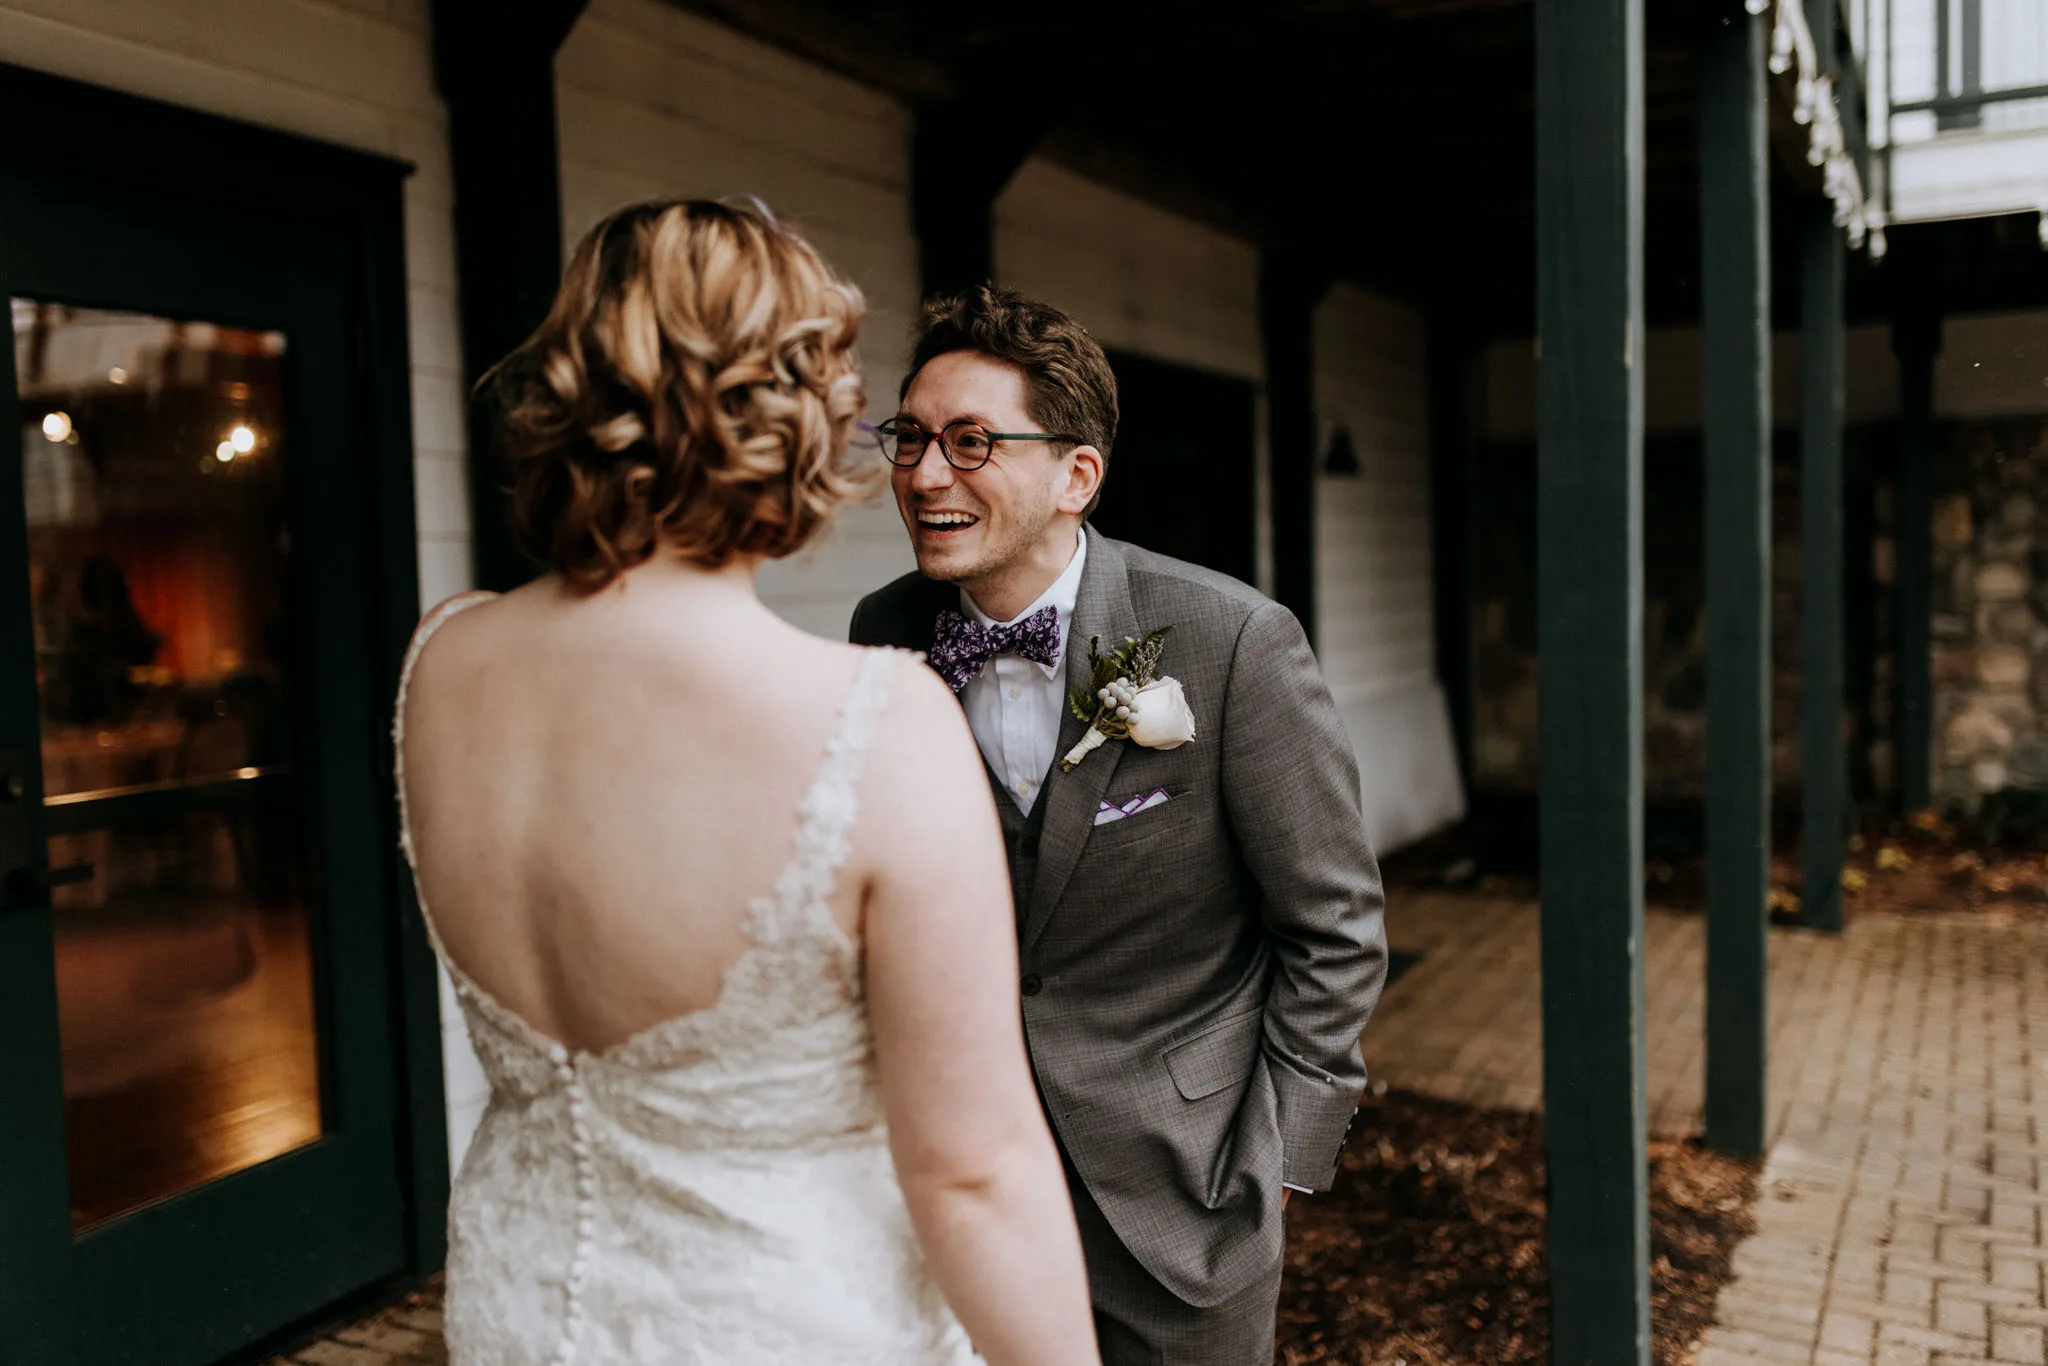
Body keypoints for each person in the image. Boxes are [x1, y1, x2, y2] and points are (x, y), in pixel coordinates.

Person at [395, 202, 1097, 1365]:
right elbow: (972, 1172)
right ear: (794, 416)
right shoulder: (874, 725)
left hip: (521, 1313)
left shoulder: (442, 660)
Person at [850, 285, 1388, 1366]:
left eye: (970, 442)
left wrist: (1282, 1162)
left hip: (1183, 1196)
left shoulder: (1232, 641)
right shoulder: (884, 631)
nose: (924, 475)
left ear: (1076, 476)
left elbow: (1333, 928)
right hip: (956, 1189)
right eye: (909, 437)